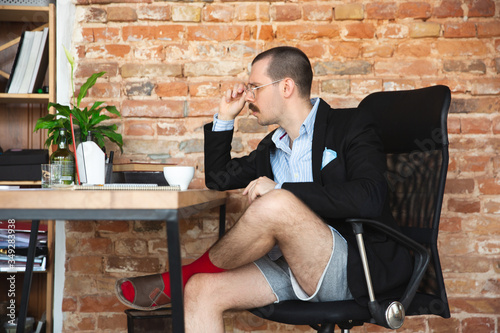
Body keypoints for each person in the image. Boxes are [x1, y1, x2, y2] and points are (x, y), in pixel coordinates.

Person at [115, 46, 412, 332]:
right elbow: (218, 178)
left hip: (351, 269)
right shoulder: (272, 147)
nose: (248, 96)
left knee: (278, 202)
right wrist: (225, 118)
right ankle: (187, 281)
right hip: (289, 265)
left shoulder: (351, 124)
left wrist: (282, 190)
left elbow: (370, 198)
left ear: (286, 87)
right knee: (200, 290)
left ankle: (178, 278)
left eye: (254, 86)